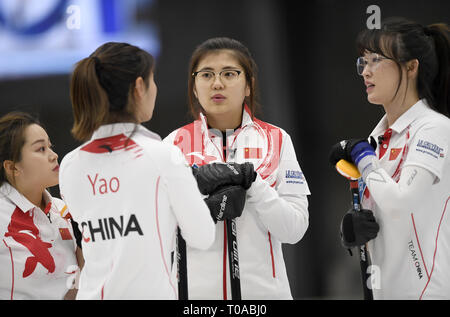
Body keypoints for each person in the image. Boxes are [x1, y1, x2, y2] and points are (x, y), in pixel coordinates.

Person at [59, 42, 215, 299]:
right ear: (139, 87)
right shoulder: (162, 155)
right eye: (154, 80)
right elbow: (202, 236)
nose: (156, 88)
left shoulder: (70, 165)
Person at [164, 37, 310, 299]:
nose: (217, 83)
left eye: (229, 74)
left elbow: (294, 229)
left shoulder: (277, 139)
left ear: (248, 86)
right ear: (194, 87)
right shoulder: (173, 144)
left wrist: (252, 184)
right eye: (206, 74)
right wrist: (202, 207)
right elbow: (156, 228)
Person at [329, 17, 450, 299]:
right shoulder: (376, 140)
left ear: (410, 67)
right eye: (362, 63)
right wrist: (350, 229)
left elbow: (401, 202)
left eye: (375, 60)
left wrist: (363, 158)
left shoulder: (433, 128)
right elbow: (383, 214)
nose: (365, 72)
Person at [0, 111, 82, 300]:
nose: (54, 155)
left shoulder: (64, 210)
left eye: (50, 147)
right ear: (12, 167)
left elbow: (84, 281)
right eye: (41, 149)